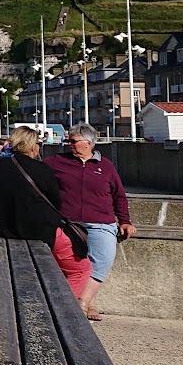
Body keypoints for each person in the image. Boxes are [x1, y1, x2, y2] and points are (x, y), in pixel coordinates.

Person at [0, 127, 91, 299]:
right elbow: (56, 202)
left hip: (6, 228)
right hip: (42, 230)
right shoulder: (42, 169)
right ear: (32, 146)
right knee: (80, 269)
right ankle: (61, 307)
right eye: (38, 144)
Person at [47, 123, 136, 322]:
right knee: (73, 263)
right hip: (67, 222)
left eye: (73, 141)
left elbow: (119, 196)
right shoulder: (57, 162)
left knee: (102, 260)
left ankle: (84, 302)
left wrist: (125, 221)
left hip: (100, 222)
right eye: (68, 140)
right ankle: (86, 303)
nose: (68, 144)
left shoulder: (105, 166)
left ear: (88, 143)